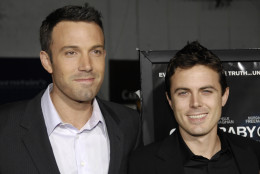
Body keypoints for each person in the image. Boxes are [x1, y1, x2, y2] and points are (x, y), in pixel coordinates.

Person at [0, 3, 142, 174]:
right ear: (47, 61)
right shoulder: (5, 127)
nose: (87, 65)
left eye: (95, 51)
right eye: (71, 53)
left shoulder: (130, 124)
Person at [128, 41, 260, 174]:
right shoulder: (143, 165)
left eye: (206, 91)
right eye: (183, 93)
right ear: (170, 101)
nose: (195, 103)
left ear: (224, 96)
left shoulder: (254, 154)